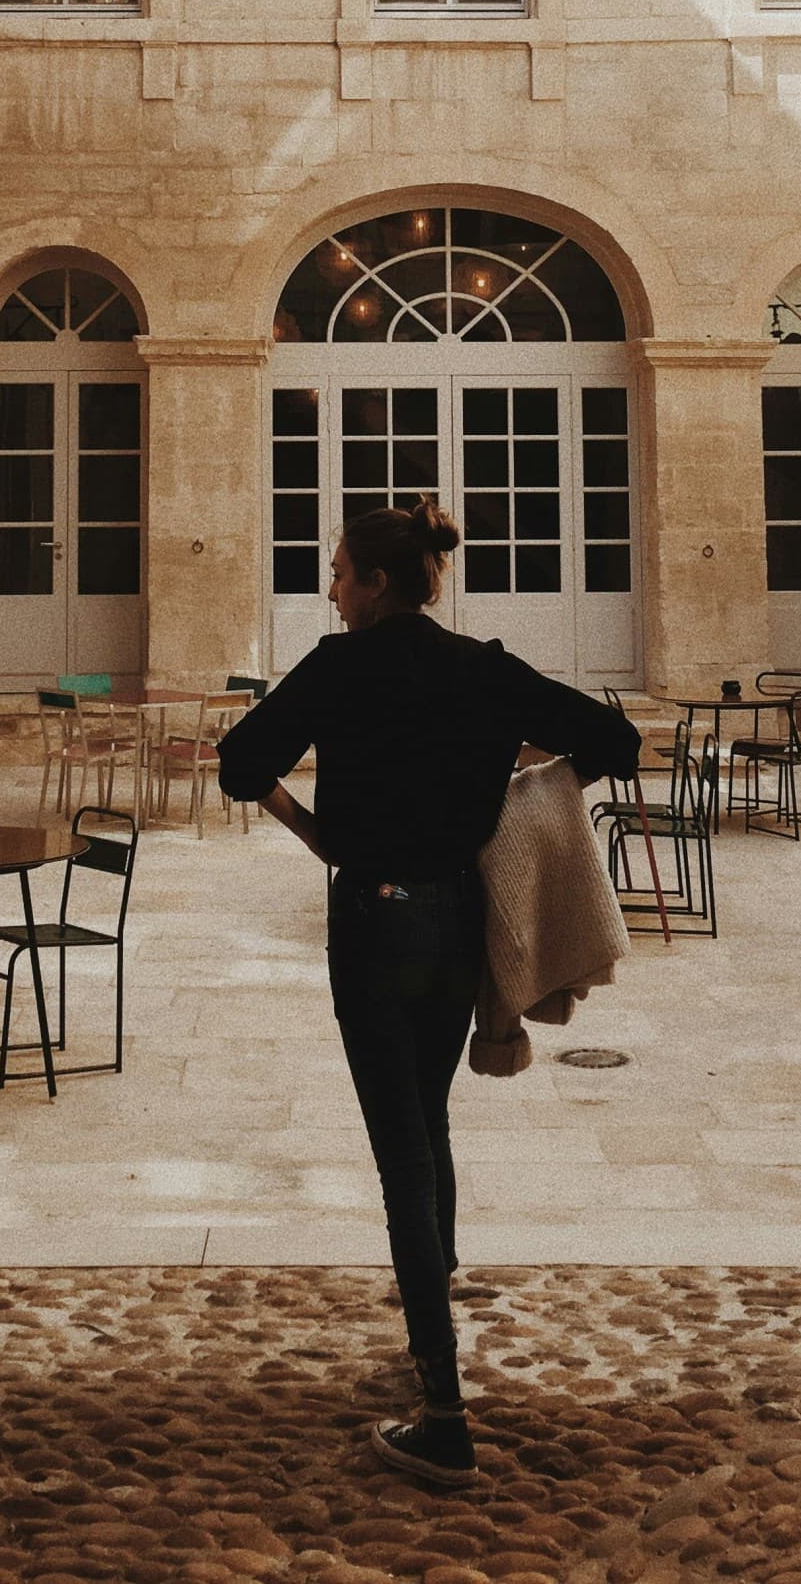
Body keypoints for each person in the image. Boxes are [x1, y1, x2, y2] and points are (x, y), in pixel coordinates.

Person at [216, 500, 640, 1489]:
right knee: (428, 1120)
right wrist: (508, 793)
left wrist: (318, 835)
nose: (330, 588)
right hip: (456, 922)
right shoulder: (478, 669)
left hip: (373, 924)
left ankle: (443, 1409)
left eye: (338, 572)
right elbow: (612, 742)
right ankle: (431, 1308)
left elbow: (240, 764)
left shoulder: (339, 666)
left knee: (402, 1150)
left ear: (374, 582)